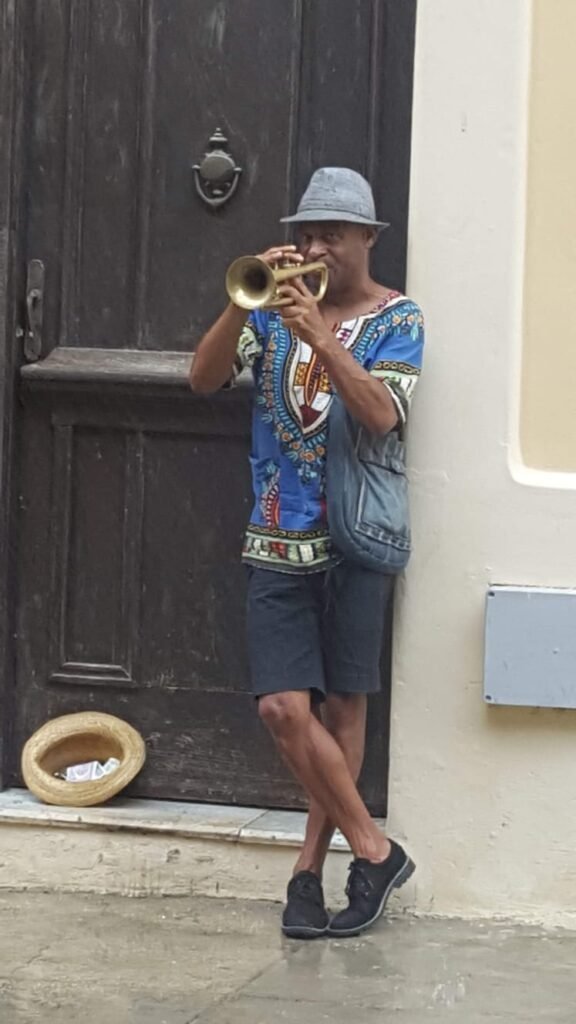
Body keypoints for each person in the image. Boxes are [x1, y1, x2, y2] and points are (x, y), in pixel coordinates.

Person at [190, 167, 424, 939]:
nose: (313, 246)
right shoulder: (269, 311)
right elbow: (202, 379)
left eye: (330, 234)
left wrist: (321, 336)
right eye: (305, 234)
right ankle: (375, 849)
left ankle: (308, 871)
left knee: (345, 707)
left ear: (366, 240)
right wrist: (241, 301)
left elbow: (383, 415)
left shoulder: (400, 320)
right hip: (275, 533)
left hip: (356, 535)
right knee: (284, 707)